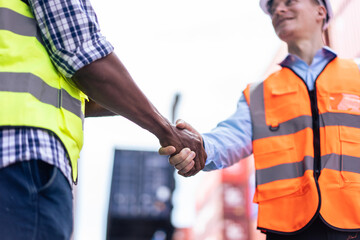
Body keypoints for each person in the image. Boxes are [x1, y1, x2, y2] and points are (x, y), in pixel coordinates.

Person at [0, 0, 206, 239]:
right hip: (20, 155)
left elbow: (80, 92)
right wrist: (167, 131)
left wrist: (124, 102)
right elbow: (83, 53)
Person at [160, 0, 360, 239]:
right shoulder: (259, 95)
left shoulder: (356, 75)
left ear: (321, 10)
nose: (278, 10)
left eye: (289, 2)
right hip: (289, 230)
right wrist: (198, 147)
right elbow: (228, 139)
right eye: (273, 7)